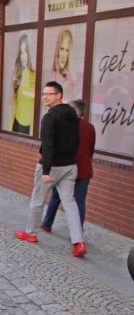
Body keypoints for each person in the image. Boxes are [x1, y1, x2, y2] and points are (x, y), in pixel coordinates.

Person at [15, 81, 87, 258]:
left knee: (38, 199)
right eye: (43, 94)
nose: (45, 97)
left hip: (52, 166)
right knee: (70, 203)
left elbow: (47, 144)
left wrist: (46, 171)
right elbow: (76, 140)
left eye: (49, 94)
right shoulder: (72, 114)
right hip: (70, 166)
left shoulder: (50, 117)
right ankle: (78, 242)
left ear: (59, 95)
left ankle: (31, 233)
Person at [42, 99, 96, 232]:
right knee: (79, 201)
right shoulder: (90, 127)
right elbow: (91, 148)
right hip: (84, 168)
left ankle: (47, 223)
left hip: (66, 165)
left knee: (56, 195)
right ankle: (78, 231)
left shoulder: (66, 124)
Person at [10, 34, 36, 135]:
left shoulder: (33, 75)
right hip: (16, 118)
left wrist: (25, 91)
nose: (23, 56)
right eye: (21, 53)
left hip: (27, 121)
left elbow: (35, 95)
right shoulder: (17, 73)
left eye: (25, 52)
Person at [49, 29, 78, 101]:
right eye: (62, 49)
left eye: (67, 50)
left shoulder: (71, 78)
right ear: (57, 49)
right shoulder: (52, 75)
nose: (64, 55)